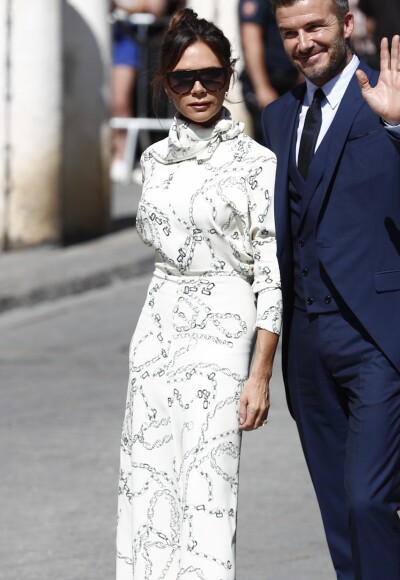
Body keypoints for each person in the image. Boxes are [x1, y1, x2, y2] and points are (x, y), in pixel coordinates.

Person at [261, 0, 400, 578]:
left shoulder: (398, 95)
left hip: (380, 338)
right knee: (338, 510)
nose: (303, 43)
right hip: (307, 344)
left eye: (315, 28)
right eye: (289, 33)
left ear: (347, 25)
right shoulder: (277, 117)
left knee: (370, 500)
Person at [116, 8, 282, 579]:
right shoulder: (153, 160)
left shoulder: (258, 163)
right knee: (147, 480)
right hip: (156, 329)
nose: (198, 89)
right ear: (165, 82)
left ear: (229, 79)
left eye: (211, 76)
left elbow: (271, 272)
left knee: (209, 490)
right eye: (184, 79)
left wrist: (260, 373)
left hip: (223, 330)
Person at [110, 0, 169, 183]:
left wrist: (118, 6)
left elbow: (156, 8)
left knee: (120, 101)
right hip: (108, 35)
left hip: (128, 38)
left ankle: (122, 157)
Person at [238, 0, 301, 143]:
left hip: (289, 83)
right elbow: (251, 39)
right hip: (269, 83)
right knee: (270, 147)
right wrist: (262, 87)